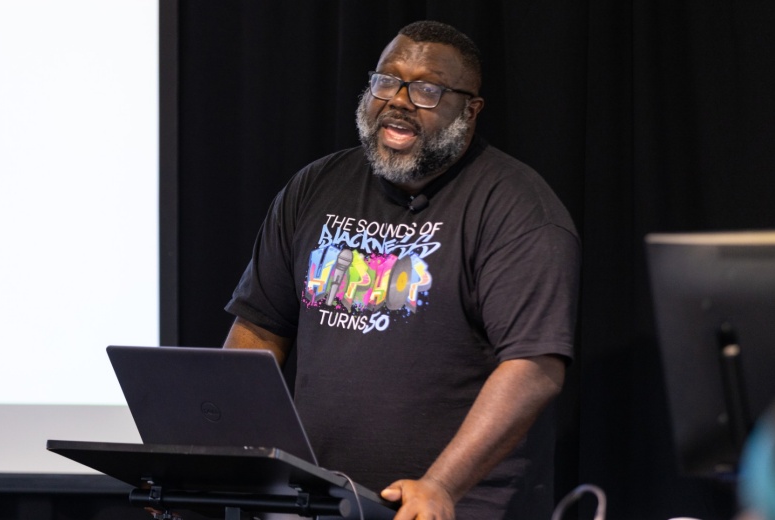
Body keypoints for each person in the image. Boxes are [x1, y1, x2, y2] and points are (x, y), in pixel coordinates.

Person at [223, 20, 580, 520]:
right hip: (319, 504)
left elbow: (533, 368)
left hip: (454, 508)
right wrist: (215, 463)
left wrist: (442, 485)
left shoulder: (517, 210)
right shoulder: (314, 188)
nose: (399, 100)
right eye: (386, 80)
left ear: (471, 110)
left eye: (427, 89)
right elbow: (258, 331)